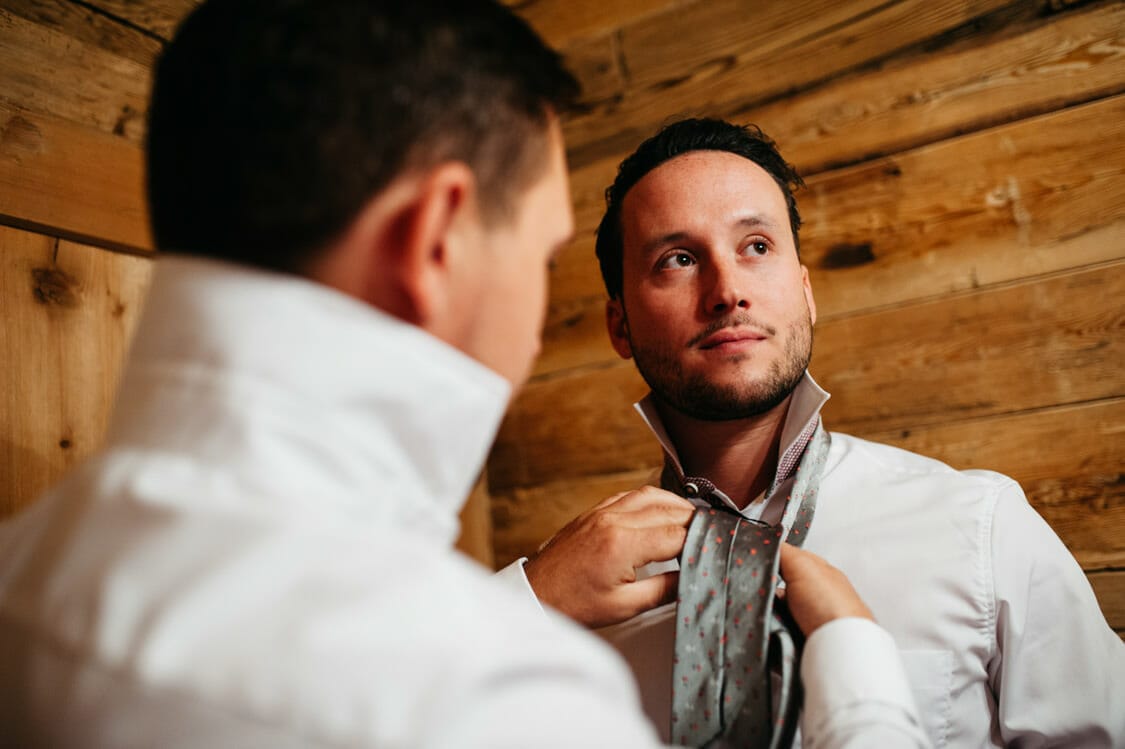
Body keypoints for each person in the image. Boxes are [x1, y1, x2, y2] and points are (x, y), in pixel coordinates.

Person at [0, 2, 927, 747]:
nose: (725, 291)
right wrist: (857, 675)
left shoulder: (22, 578)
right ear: (435, 239)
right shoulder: (492, 697)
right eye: (539, 253)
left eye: (757, 246)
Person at [506, 118, 1125, 747]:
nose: (727, 292)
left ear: (805, 291)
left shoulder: (981, 529)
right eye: (679, 260)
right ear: (619, 325)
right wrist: (526, 603)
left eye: (756, 246)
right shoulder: (556, 616)